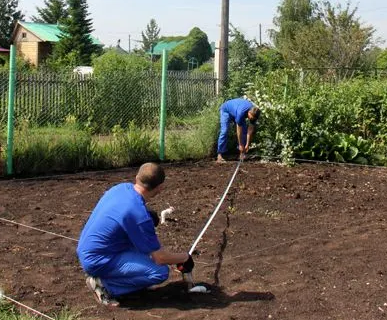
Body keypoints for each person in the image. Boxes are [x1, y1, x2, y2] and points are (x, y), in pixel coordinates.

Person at [76, 162, 194, 306]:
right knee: (160, 272)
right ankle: (105, 285)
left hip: (87, 248)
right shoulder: (139, 217)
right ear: (160, 187)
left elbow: (122, 212)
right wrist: (185, 257)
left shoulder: (120, 188)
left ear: (137, 177)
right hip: (99, 259)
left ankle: (121, 279)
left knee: (144, 253)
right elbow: (160, 258)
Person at [216, 97, 261, 163]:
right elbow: (239, 130)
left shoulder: (254, 114)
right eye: (251, 117)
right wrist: (240, 144)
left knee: (244, 130)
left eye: (253, 118)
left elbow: (250, 130)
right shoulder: (241, 113)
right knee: (224, 131)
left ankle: (241, 153)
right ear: (249, 112)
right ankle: (220, 155)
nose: (251, 119)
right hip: (226, 110)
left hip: (236, 110)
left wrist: (247, 145)